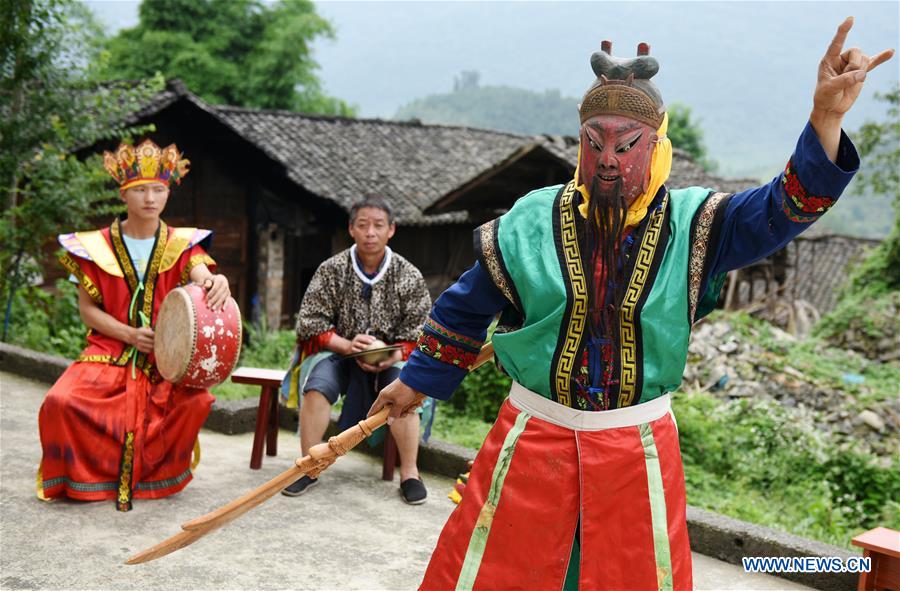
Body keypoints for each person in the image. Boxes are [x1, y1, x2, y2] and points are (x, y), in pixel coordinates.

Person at [369, 19, 894, 589]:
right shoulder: (530, 222)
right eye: (595, 145)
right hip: (533, 437)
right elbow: (465, 307)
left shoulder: (697, 226)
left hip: (635, 449)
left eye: (626, 145)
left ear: (657, 146)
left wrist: (826, 119)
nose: (609, 161)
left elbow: (788, 205)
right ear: (579, 147)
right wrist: (415, 379)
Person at [37, 139, 231, 512]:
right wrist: (127, 334)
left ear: (167, 194)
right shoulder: (93, 246)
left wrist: (214, 281)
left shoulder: (181, 243)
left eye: (158, 189)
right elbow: (88, 311)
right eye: (140, 190)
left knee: (196, 400)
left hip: (164, 355)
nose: (150, 198)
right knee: (59, 402)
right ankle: (87, 478)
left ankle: (155, 478)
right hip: (109, 347)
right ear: (124, 194)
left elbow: (200, 274)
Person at [281, 196, 432, 504]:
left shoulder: (408, 274)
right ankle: (309, 466)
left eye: (378, 226)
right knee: (317, 388)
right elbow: (310, 322)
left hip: (392, 355)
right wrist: (347, 345)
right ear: (351, 229)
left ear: (391, 230)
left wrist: (394, 353)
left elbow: (421, 329)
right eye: (363, 225)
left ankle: (410, 473)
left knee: (407, 391)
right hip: (340, 353)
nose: (370, 233)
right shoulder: (332, 270)